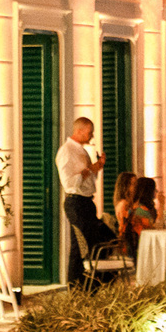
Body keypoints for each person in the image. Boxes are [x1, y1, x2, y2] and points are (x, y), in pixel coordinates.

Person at [57, 117, 114, 283]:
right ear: (79, 131)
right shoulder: (67, 151)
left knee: (101, 240)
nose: (91, 136)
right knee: (80, 245)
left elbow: (88, 179)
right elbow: (69, 182)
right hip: (76, 202)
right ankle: (77, 285)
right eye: (89, 133)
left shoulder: (81, 150)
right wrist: (90, 169)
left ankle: (94, 282)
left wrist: (97, 167)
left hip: (87, 201)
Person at [113, 171, 158, 257]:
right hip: (129, 245)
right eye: (133, 184)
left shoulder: (132, 205)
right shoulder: (125, 204)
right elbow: (127, 226)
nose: (136, 187)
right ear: (125, 187)